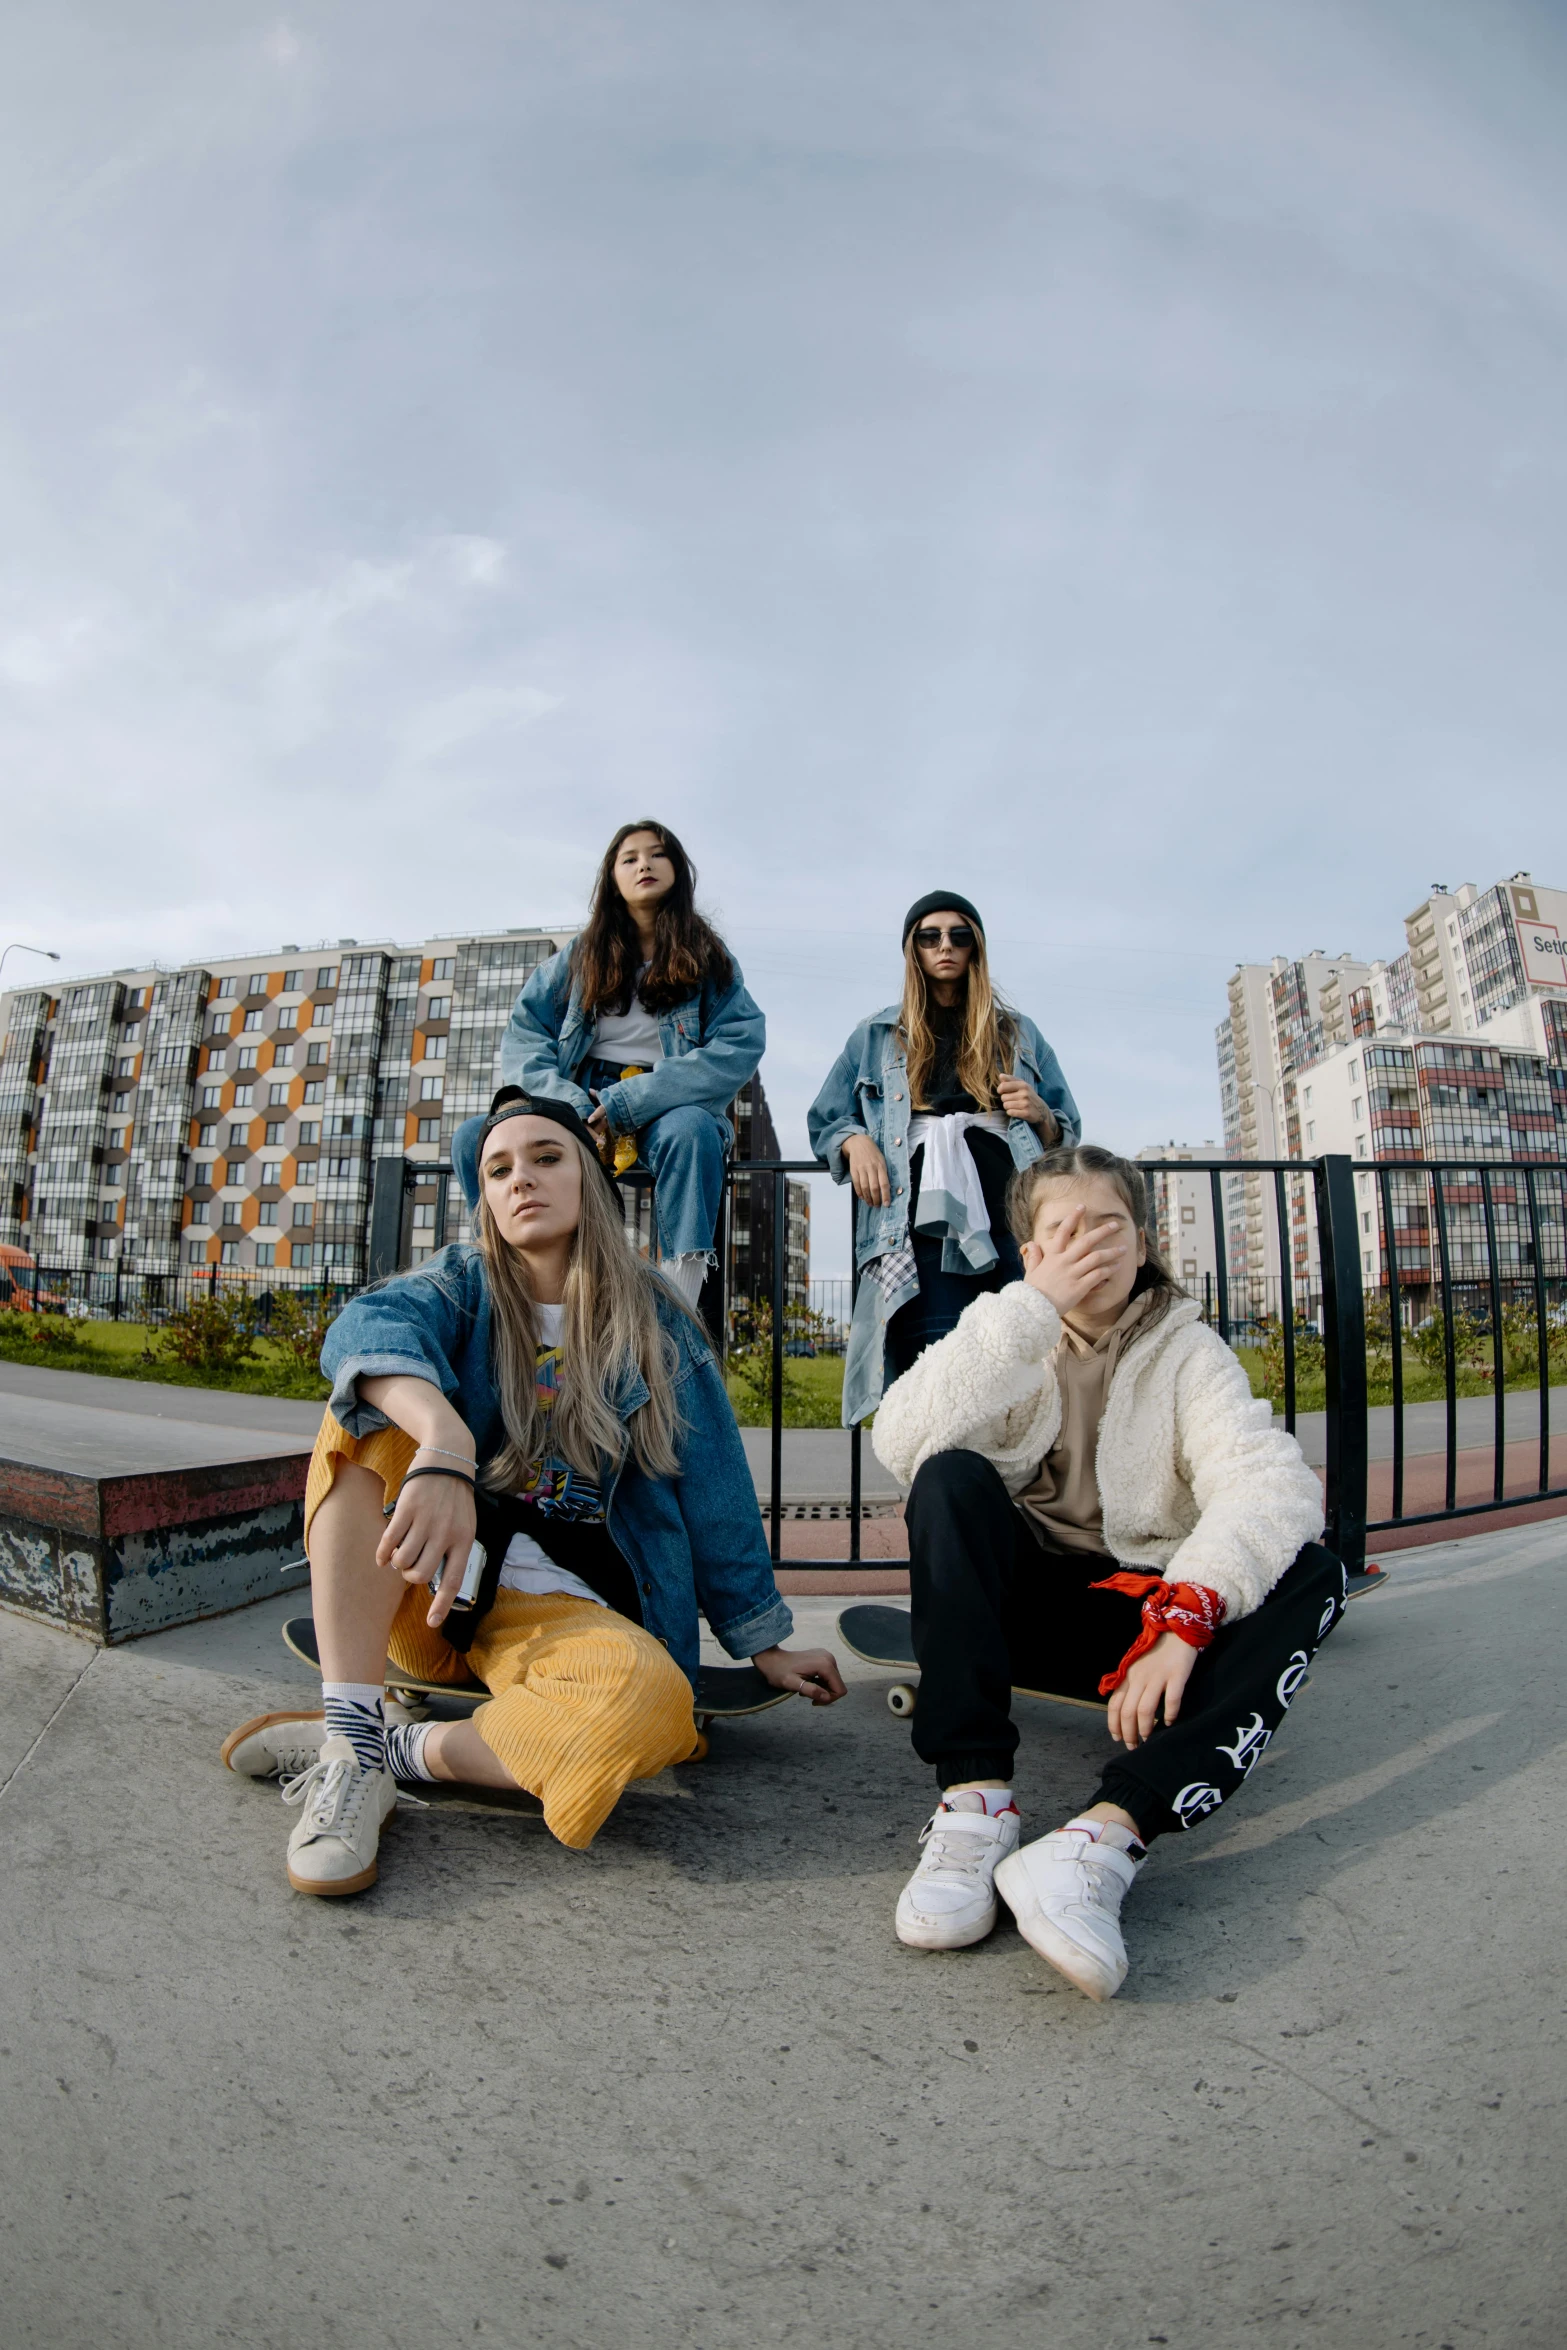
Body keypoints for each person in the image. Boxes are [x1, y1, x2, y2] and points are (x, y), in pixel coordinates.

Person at [221, 1087, 844, 1897]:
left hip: (564, 1609)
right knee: (369, 1409)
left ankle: (375, 1751)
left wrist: (762, 1640)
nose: (522, 1180)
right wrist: (443, 1446)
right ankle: (352, 1727)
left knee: (651, 1706)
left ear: (589, 1176)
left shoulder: (656, 1320)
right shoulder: (462, 1286)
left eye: (546, 1159)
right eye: (498, 1169)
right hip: (435, 1581)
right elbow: (363, 1333)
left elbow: (714, 1488)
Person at [870, 1142, 1340, 2001]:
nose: (1090, 1245)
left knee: (1313, 1570)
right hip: (1014, 1617)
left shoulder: (1189, 1352)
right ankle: (974, 1806)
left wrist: (1185, 1618)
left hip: (1137, 1630)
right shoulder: (1003, 1334)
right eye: (1063, 1230)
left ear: (1145, 1241)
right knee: (948, 1475)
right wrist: (1024, 1314)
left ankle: (1099, 1842)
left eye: (1110, 1226)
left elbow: (1266, 1482)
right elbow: (898, 1441)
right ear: (1031, 1252)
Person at [808, 893, 1080, 1425]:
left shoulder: (1017, 1032)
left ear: (976, 946)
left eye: (959, 935)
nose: (945, 946)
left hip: (1012, 1224)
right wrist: (853, 1140)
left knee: (1021, 1374)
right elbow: (825, 1118)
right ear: (913, 950)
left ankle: (1010, 1503)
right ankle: (938, 1499)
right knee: (930, 1379)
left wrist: (1043, 1116)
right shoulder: (876, 1035)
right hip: (917, 1233)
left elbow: (1066, 1132)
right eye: (930, 936)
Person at [500, 820, 764, 1310]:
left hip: (665, 1098)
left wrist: (633, 1100)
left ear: (678, 871)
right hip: (580, 1100)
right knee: (478, 1137)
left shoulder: (707, 957)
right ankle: (516, 1291)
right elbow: (523, 1035)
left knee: (691, 1131)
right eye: (630, 858)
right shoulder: (580, 957)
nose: (644, 863)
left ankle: (676, 1306)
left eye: (657, 854)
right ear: (612, 878)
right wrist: (569, 1105)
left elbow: (741, 1041)